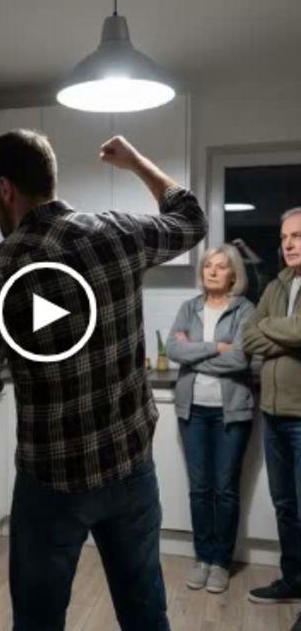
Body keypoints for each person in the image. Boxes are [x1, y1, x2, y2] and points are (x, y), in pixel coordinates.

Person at [0, 130, 207, 631]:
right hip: (129, 468)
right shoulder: (118, 232)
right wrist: (137, 162)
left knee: (38, 621)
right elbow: (192, 218)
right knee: (145, 613)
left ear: (5, 189)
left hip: (51, 482)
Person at [166, 244, 255, 594]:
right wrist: (216, 347)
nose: (213, 272)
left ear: (233, 274)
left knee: (225, 489)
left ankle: (221, 561)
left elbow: (241, 359)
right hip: (193, 411)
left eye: (221, 266)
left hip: (230, 412)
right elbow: (174, 349)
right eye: (208, 266)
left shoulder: (245, 310)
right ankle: (202, 557)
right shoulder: (189, 308)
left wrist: (194, 353)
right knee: (200, 488)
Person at [242, 207, 301, 615]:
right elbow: (249, 335)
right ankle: (293, 580)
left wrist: (272, 329)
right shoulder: (279, 283)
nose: (288, 244)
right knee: (286, 505)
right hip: (273, 414)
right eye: (284, 238)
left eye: (297, 236)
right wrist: (287, 335)